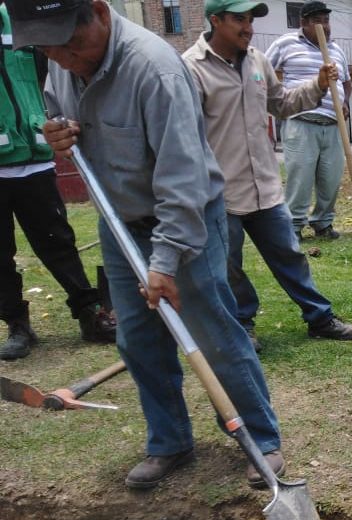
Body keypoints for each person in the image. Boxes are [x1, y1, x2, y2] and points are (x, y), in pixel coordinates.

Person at [16, 0, 286, 490]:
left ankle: (263, 440)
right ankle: (170, 441)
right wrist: (59, 131)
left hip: (184, 217)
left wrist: (164, 262)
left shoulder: (155, 69)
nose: (61, 58)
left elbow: (182, 179)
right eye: (47, 47)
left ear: (98, 12)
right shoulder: (62, 61)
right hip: (119, 223)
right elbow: (57, 112)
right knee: (137, 338)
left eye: (72, 44)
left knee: (215, 335)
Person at [182, 0, 352, 351]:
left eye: (250, 19)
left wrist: (319, 85)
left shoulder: (257, 61)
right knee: (229, 266)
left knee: (290, 254)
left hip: (264, 186)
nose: (248, 27)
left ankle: (320, 318)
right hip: (220, 191)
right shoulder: (192, 69)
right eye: (239, 19)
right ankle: (243, 325)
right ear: (215, 20)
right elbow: (182, 134)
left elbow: (282, 104)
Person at [0, 4, 115, 361]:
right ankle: (18, 324)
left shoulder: (17, 19)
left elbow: (48, 71)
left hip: (34, 154)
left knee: (58, 241)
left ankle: (88, 312)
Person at [264, 0, 351, 240]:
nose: (324, 26)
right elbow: (261, 71)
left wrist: (344, 103)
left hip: (333, 125)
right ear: (303, 23)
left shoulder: (336, 50)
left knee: (331, 179)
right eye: (317, 21)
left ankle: (323, 223)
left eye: (326, 20)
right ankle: (293, 227)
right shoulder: (286, 44)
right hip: (301, 121)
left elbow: (346, 82)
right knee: (300, 179)